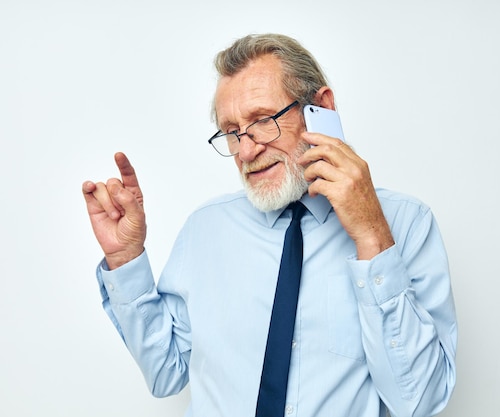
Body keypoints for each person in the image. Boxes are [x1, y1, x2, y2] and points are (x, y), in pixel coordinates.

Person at [82, 33, 457, 417]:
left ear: (321, 109)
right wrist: (126, 259)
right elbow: (166, 373)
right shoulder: (205, 229)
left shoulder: (406, 223)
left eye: (263, 121)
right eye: (231, 131)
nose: (246, 151)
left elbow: (421, 400)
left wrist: (372, 237)